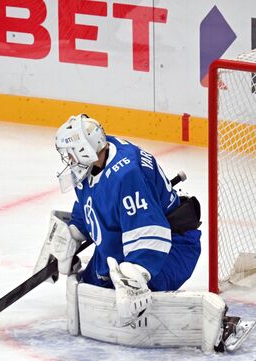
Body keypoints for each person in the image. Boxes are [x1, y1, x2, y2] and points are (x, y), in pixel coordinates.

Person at [34, 114, 255, 353]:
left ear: (85, 149)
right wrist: (70, 236)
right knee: (95, 288)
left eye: (70, 153)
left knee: (133, 299)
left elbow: (150, 229)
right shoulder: (96, 161)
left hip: (171, 247)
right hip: (126, 239)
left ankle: (220, 323)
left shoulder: (126, 174)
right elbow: (93, 203)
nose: (68, 159)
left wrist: (135, 275)